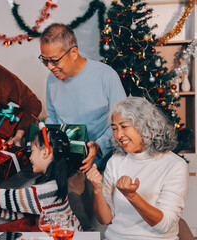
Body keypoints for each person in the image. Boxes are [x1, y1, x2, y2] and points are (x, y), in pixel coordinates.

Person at [39, 22, 126, 231]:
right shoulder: (52, 80)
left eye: (54, 60)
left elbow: (124, 123)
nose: (50, 67)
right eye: (45, 61)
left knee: (97, 221)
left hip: (104, 160)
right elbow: (53, 117)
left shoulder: (106, 76)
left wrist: (98, 146)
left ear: (74, 52)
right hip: (68, 161)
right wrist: (43, 136)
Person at [86, 97, 189, 240]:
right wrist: (97, 189)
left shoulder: (174, 165)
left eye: (124, 126)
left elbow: (164, 225)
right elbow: (105, 219)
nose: (119, 135)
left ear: (144, 125)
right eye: (114, 129)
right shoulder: (116, 161)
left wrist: (131, 196)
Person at [0, 128, 80, 232]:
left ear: (45, 153)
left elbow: (13, 197)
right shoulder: (54, 184)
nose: (30, 157)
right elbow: (23, 209)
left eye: (32, 151)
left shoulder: (49, 189)